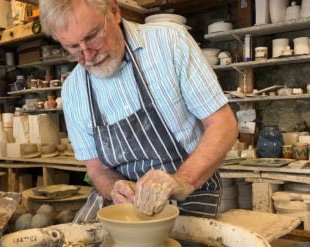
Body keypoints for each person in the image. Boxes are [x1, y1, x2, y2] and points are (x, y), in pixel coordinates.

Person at [39, 0, 238, 222]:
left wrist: (183, 179)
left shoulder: (169, 42)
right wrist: (114, 188)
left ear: (114, 11)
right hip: (126, 209)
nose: (88, 56)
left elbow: (223, 124)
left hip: (190, 195)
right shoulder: (73, 90)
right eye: (73, 48)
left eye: (92, 36)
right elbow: (96, 169)